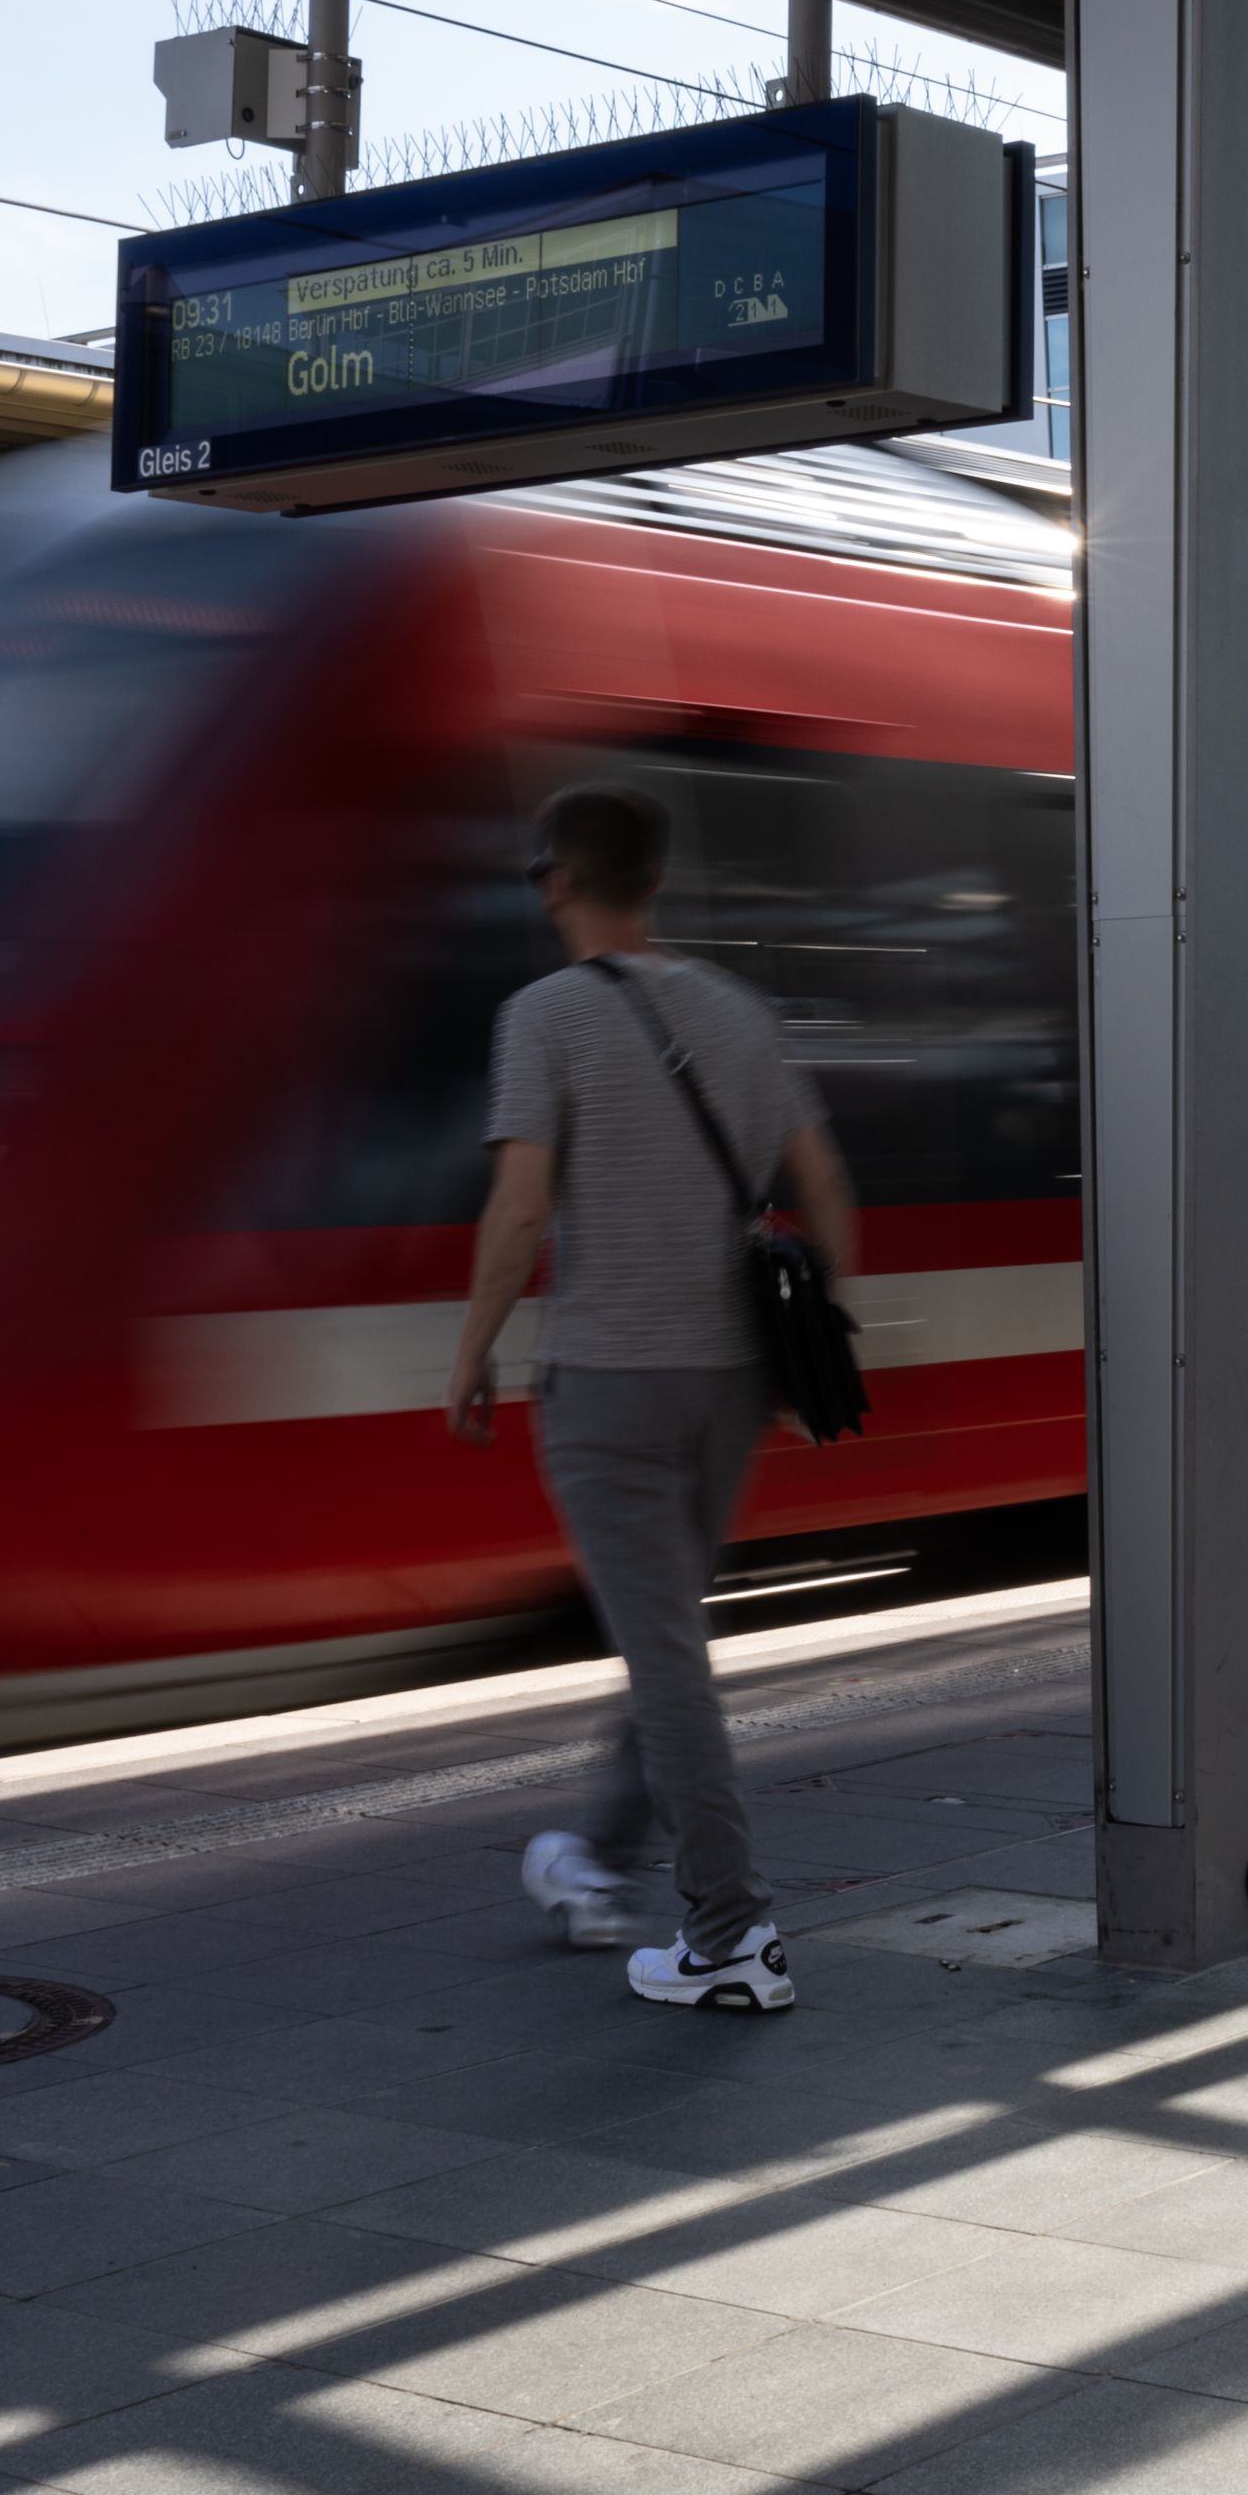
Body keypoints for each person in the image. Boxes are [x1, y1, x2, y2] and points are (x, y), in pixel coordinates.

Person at [454, 782, 859, 2013]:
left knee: (667, 1651)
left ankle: (730, 1931)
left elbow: (522, 1208)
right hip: (728, 1382)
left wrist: (472, 1346)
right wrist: (814, 1342)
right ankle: (592, 1855)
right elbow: (828, 1192)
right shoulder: (737, 1012)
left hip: (610, 1386)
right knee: (666, 1629)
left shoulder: (546, 1017)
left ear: (559, 882)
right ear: (657, 882)